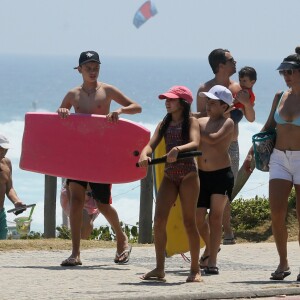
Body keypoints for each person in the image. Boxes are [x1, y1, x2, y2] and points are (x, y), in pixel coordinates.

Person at [57, 50, 142, 266]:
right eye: (88, 68)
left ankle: (122, 239)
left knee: (103, 204)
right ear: (80, 70)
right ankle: (75, 253)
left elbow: (137, 107)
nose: (93, 71)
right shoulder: (72, 95)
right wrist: (62, 111)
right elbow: (58, 122)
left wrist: (120, 112)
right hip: (78, 156)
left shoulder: (108, 91)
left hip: (102, 155)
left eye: (96, 67)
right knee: (76, 202)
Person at [244, 47, 300, 281]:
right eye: (283, 72)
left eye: (290, 71)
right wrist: (250, 152)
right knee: (277, 212)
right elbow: (268, 126)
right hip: (278, 158)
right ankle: (283, 263)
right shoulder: (280, 96)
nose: (286, 75)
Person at [138, 86, 202, 283]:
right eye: (166, 99)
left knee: (189, 222)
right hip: (170, 175)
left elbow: (195, 143)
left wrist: (177, 149)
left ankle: (195, 269)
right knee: (159, 221)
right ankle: (159, 268)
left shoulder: (191, 121)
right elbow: (151, 145)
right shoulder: (164, 123)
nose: (167, 102)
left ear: (182, 103)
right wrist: (144, 154)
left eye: (171, 100)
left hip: (188, 174)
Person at [196, 48, 255, 245]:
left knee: (226, 190)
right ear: (220, 65)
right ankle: (216, 232)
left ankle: (226, 229)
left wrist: (246, 104)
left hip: (231, 144)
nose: (235, 62)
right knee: (207, 190)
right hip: (209, 148)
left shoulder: (239, 88)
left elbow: (251, 118)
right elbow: (201, 121)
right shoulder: (205, 89)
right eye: (231, 60)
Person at [196, 85, 234, 274]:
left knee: (215, 217)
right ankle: (211, 248)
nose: (208, 105)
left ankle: (212, 262)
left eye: (213, 102)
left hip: (221, 175)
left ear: (224, 106)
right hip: (201, 175)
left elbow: (213, 139)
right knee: (197, 218)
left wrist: (195, 129)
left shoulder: (228, 123)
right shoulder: (200, 121)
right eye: (207, 102)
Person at [0, 133, 26, 239]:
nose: (4, 151)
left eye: (6, 149)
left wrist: (16, 201)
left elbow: (9, 187)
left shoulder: (6, 163)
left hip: (1, 213)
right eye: (1, 148)